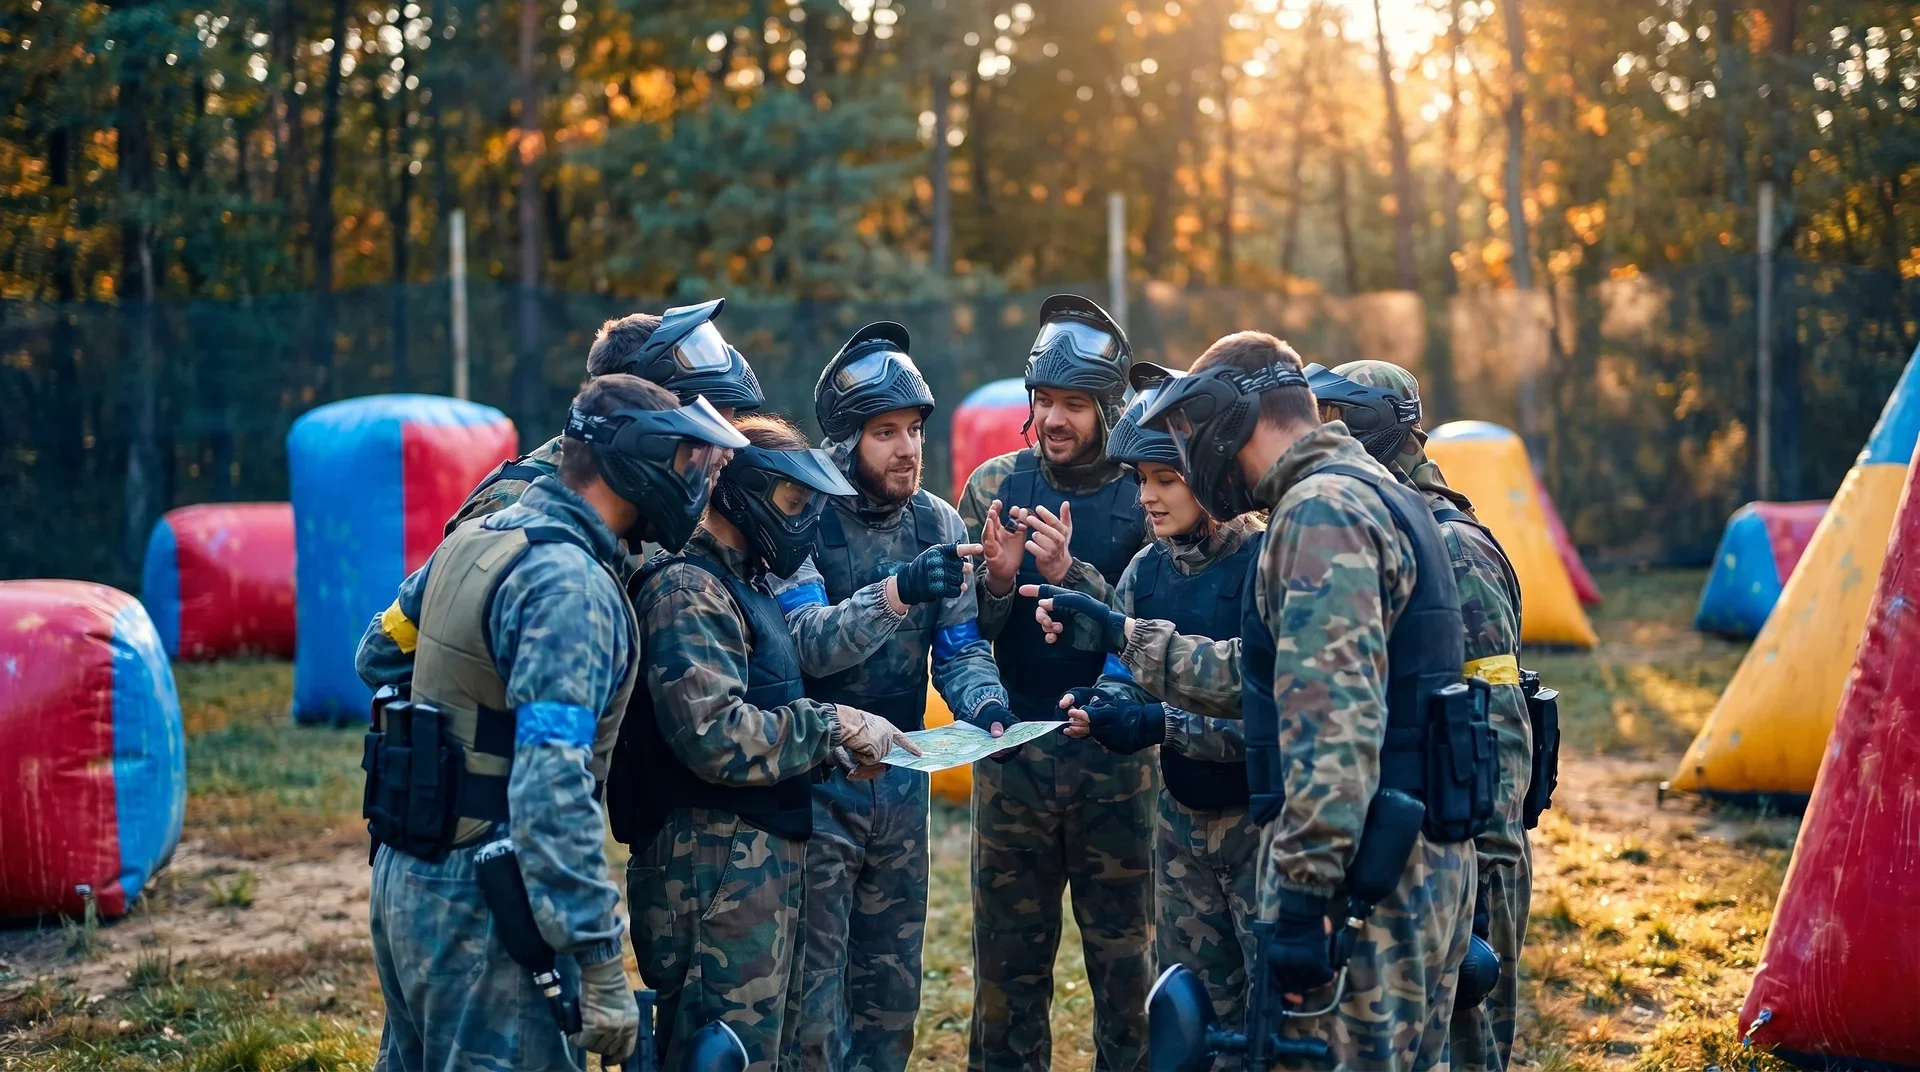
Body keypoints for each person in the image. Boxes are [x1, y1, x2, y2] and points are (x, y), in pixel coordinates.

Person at [353, 373, 748, 1072]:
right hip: (490, 906)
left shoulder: (478, 536)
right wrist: (598, 958)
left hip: (408, 878)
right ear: (635, 463)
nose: (694, 484)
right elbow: (550, 792)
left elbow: (379, 652)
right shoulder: (568, 586)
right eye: (685, 463)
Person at [1138, 331, 1483, 1070]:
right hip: (1417, 868)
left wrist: (1300, 898)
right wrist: (1131, 639)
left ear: (1236, 417)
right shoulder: (1386, 493)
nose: (1197, 460)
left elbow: (1334, 729)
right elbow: (1304, 675)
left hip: (1361, 888)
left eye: (1194, 436)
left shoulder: (1319, 512)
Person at [610, 414, 922, 1072]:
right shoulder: (688, 588)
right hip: (711, 876)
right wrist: (830, 724)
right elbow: (714, 735)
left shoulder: (744, 583)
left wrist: (832, 752)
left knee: (764, 1054)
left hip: (754, 870)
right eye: (792, 502)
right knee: (718, 1051)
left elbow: (766, 708)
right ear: (741, 491)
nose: (803, 520)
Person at [769, 323, 1013, 1072]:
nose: (908, 448)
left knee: (891, 997)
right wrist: (897, 593)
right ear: (845, 440)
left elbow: (962, 649)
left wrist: (988, 708)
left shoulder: (937, 521)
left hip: (903, 787)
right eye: (885, 432)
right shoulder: (798, 517)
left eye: (913, 430)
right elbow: (807, 641)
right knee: (814, 1003)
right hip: (820, 782)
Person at [954, 294, 1154, 1071]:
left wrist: (1074, 576)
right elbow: (964, 632)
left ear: (1109, 405)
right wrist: (1000, 584)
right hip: (1012, 759)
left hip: (1119, 767)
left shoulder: (1145, 489)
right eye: (1045, 401)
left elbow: (1153, 631)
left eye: (1076, 403)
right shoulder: (995, 486)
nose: (1058, 418)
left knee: (1127, 974)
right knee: (1006, 978)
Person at [1312, 360, 1529, 1072]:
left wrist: (1484, 873)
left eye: (1338, 421)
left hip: (1469, 843)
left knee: (1471, 1041)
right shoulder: (1383, 527)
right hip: (1416, 844)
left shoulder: (1454, 545)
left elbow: (1495, 725)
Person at [1051, 363, 1268, 1066]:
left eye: (1165, 479)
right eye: (1140, 480)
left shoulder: (1267, 563)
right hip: (1181, 832)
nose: (1148, 497)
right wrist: (1102, 710)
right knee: (1194, 1019)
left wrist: (1160, 725)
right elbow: (1123, 670)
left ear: (1211, 470)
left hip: (1263, 830)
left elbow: (1273, 709)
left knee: (1276, 1022)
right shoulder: (1147, 571)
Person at [445, 298, 766, 534]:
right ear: (647, 408)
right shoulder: (517, 501)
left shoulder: (643, 497)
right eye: (708, 432)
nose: (725, 452)